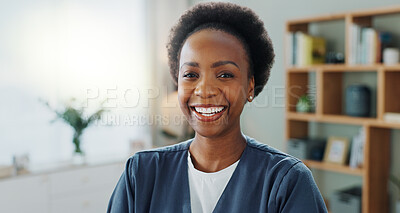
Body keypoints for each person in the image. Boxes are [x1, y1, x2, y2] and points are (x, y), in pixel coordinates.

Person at [107, 2, 328, 213]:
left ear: (250, 86)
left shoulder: (287, 181)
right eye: (191, 75)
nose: (204, 90)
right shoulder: (141, 174)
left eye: (224, 75)